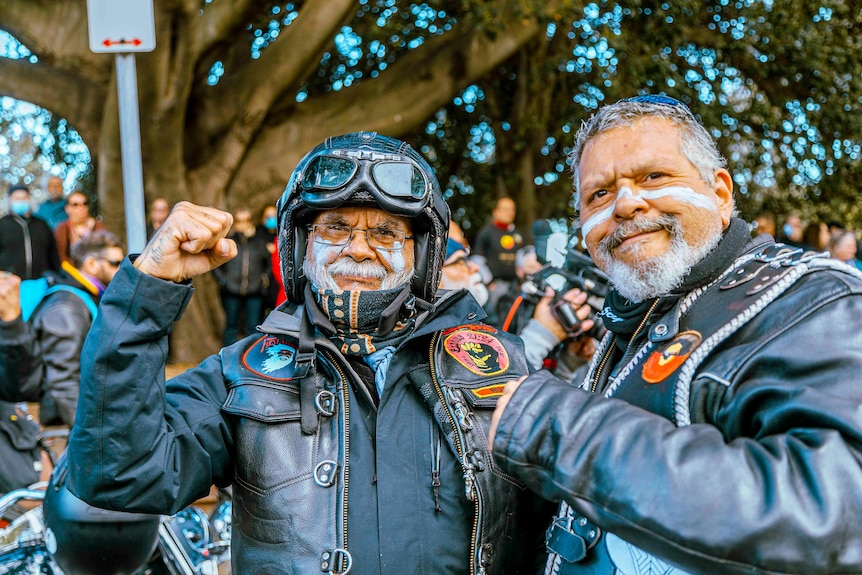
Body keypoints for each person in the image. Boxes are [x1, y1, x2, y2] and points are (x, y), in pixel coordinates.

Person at [67, 131, 552, 575]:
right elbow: (118, 474)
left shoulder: (502, 368)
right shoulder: (241, 373)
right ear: (300, 244)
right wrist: (150, 288)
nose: (359, 250)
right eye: (337, 228)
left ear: (422, 252)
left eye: (385, 233)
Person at [488, 95, 862, 575]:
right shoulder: (632, 319)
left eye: (653, 177)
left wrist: (554, 426)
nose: (625, 204)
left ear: (721, 193)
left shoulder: (816, 298)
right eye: (598, 195)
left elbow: (837, 516)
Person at [0, 231, 125, 428]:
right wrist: (89, 433)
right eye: (115, 263)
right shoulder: (67, 307)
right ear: (91, 264)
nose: (121, 270)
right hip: (63, 424)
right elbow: (62, 384)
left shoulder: (81, 297)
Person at [211, 207, 272, 345]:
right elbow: (215, 265)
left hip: (254, 291)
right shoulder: (228, 242)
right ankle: (227, 357)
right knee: (231, 327)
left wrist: (263, 279)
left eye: (246, 220)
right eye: (239, 221)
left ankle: (251, 359)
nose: (243, 224)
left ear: (251, 222)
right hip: (231, 291)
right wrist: (223, 281)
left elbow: (268, 264)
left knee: (253, 328)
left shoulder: (259, 242)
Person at [474, 197, 525, 327]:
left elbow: (522, 258)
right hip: (494, 286)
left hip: (515, 286)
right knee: (494, 323)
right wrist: (489, 282)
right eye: (505, 209)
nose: (509, 212)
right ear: (495, 212)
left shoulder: (517, 234)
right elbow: (478, 259)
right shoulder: (487, 233)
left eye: (512, 209)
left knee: (514, 321)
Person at [0, 184, 61, 280]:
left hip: (40, 282)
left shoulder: (42, 224)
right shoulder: (2, 224)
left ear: (30, 200)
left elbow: (53, 253)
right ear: (9, 201)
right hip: (9, 283)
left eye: (24, 198)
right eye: (17, 198)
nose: (20, 201)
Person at [54, 191, 108, 263]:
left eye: (84, 204)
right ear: (67, 209)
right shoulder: (62, 229)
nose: (81, 207)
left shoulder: (98, 225)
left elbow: (106, 250)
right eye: (75, 204)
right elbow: (60, 256)